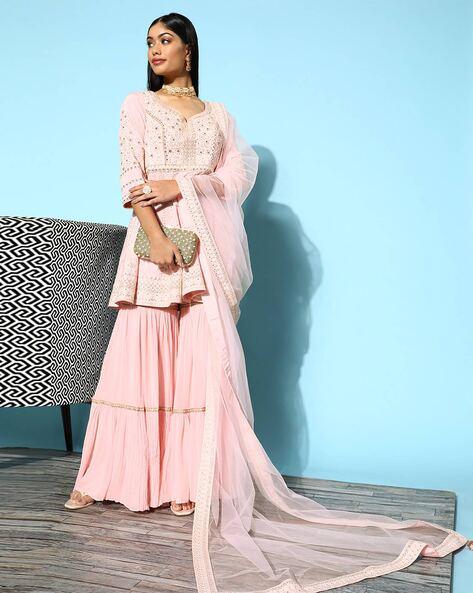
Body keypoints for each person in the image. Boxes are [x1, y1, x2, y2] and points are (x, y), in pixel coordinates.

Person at [65, 11, 472, 593]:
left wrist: (185, 184)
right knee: (140, 353)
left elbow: (237, 177)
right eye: (149, 42)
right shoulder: (137, 104)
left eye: (166, 39)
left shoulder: (220, 116)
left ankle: (185, 483)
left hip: (204, 246)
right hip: (155, 244)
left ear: (189, 50)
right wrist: (157, 238)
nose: (155, 49)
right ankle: (111, 478)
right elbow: (133, 176)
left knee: (200, 364)